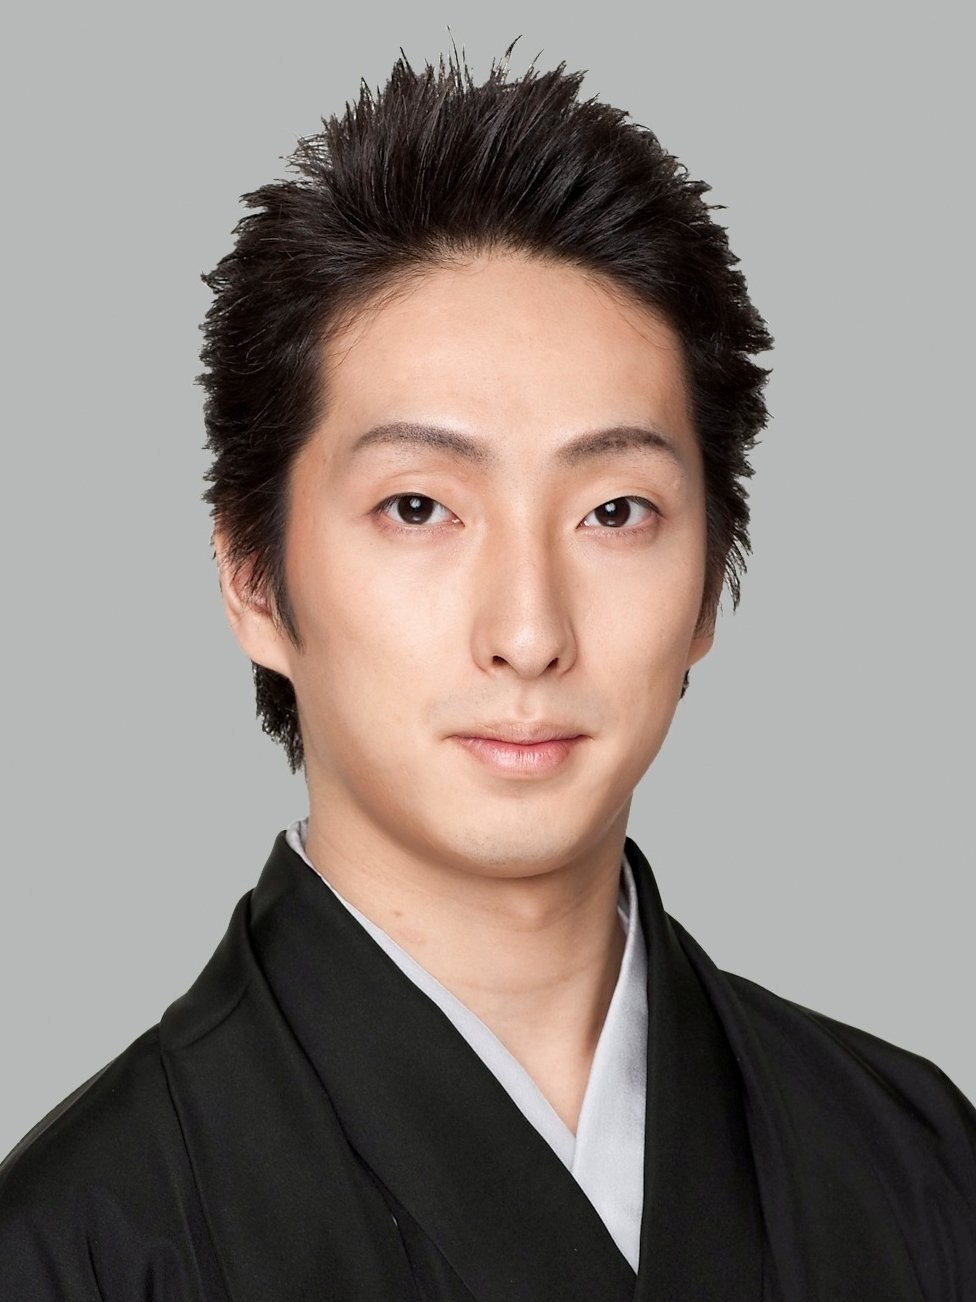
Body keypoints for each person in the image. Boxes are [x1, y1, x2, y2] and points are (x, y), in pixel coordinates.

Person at [1, 44, 973, 1301]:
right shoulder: (80, 1248)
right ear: (253, 578)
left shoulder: (917, 1161)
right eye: (418, 507)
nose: (528, 631)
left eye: (615, 512)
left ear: (707, 586)